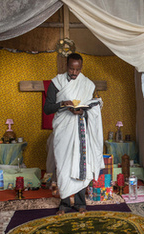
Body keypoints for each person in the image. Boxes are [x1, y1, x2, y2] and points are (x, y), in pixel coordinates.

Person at [44, 53, 104, 215]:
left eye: (77, 69)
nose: (74, 73)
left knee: (81, 163)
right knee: (63, 165)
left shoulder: (87, 84)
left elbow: (92, 107)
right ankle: (64, 203)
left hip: (80, 128)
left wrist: (83, 111)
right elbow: (47, 108)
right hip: (63, 129)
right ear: (66, 66)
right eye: (71, 68)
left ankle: (80, 202)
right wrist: (63, 104)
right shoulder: (56, 83)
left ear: (81, 68)